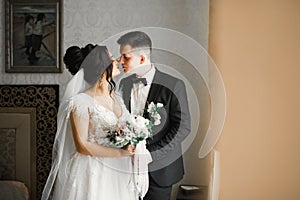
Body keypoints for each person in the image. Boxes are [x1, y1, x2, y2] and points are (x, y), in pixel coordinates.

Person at [41, 44, 151, 200]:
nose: (117, 61)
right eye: (112, 59)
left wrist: (135, 139)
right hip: (92, 171)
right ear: (101, 67)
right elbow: (82, 145)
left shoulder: (116, 97)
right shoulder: (80, 102)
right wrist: (120, 152)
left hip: (119, 169)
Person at [117, 31, 191, 200]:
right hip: (126, 169)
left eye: (125, 57)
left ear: (142, 58)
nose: (120, 62)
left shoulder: (174, 85)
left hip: (161, 171)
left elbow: (183, 127)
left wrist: (151, 155)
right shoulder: (124, 84)